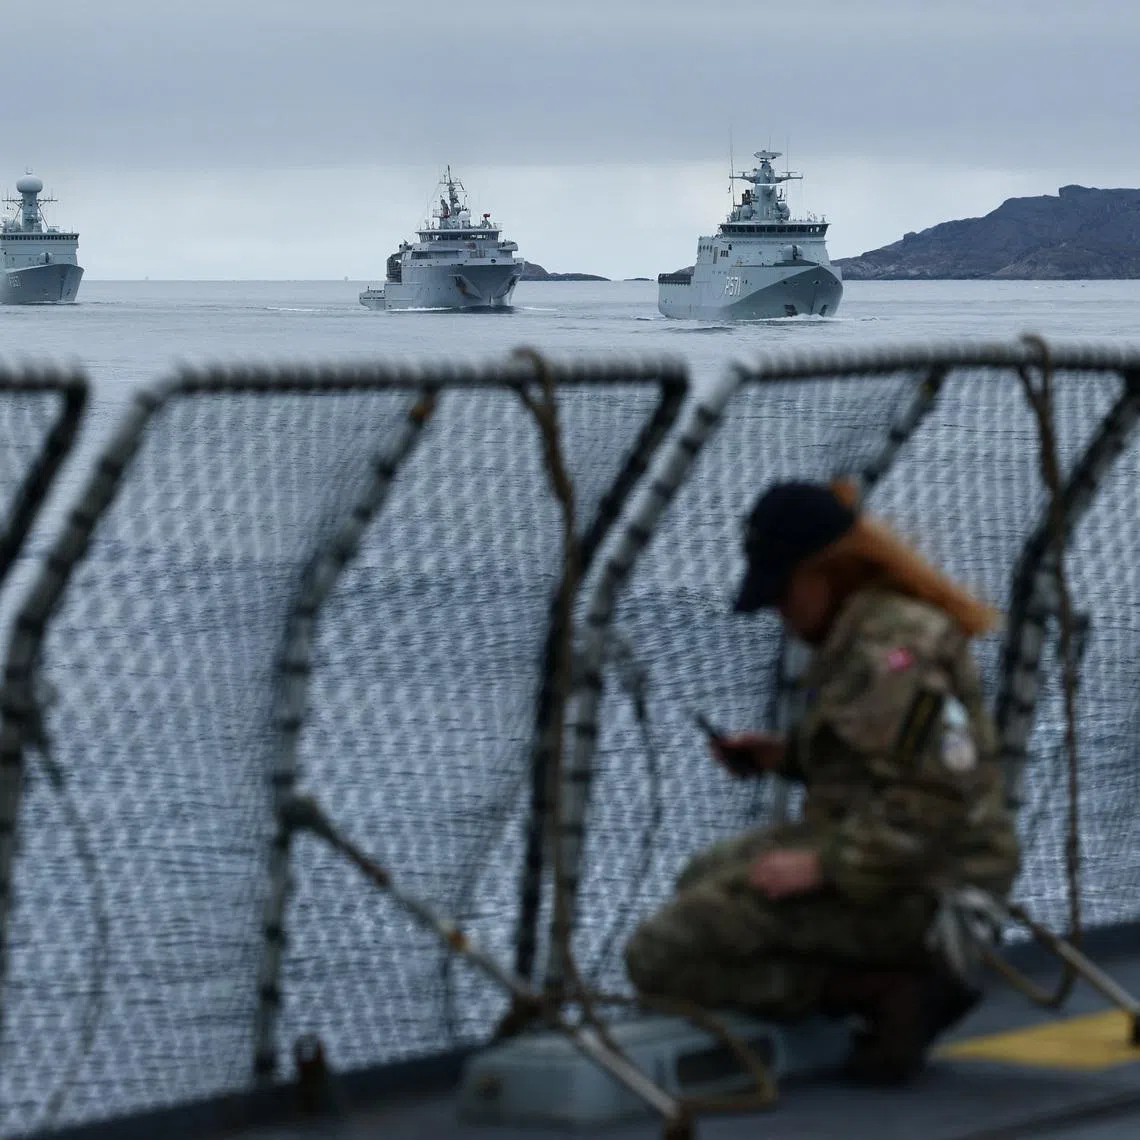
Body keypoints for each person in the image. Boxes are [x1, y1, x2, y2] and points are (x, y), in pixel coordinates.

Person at [623, 479, 1021, 1083]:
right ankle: (872, 984)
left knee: (660, 954)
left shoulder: (893, 652)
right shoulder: (866, 631)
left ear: (823, 573)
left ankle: (881, 992)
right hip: (897, 864)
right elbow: (887, 758)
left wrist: (824, 867)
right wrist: (782, 757)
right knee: (702, 876)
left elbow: (937, 798)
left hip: (932, 890)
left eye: (783, 595)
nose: (780, 614)